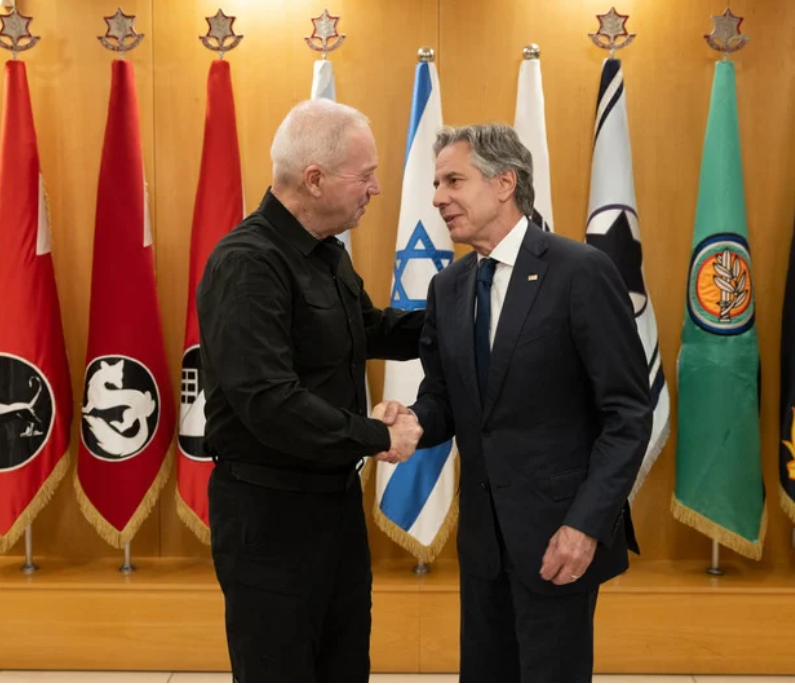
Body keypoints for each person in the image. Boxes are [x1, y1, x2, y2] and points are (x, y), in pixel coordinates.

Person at [377, 123, 652, 682]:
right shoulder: (449, 287)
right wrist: (409, 424)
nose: (437, 198)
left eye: (453, 180)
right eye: (434, 183)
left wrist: (586, 525)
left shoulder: (580, 271)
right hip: (483, 544)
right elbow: (446, 398)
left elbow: (627, 414)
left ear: (505, 183)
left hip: (559, 538)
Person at [197, 99, 424, 683]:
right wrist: (378, 436)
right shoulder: (248, 263)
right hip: (269, 514)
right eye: (366, 175)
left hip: (332, 502)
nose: (375, 189)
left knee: (344, 665)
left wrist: (460, 313)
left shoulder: (326, 253)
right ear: (315, 179)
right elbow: (270, 402)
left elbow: (364, 329)